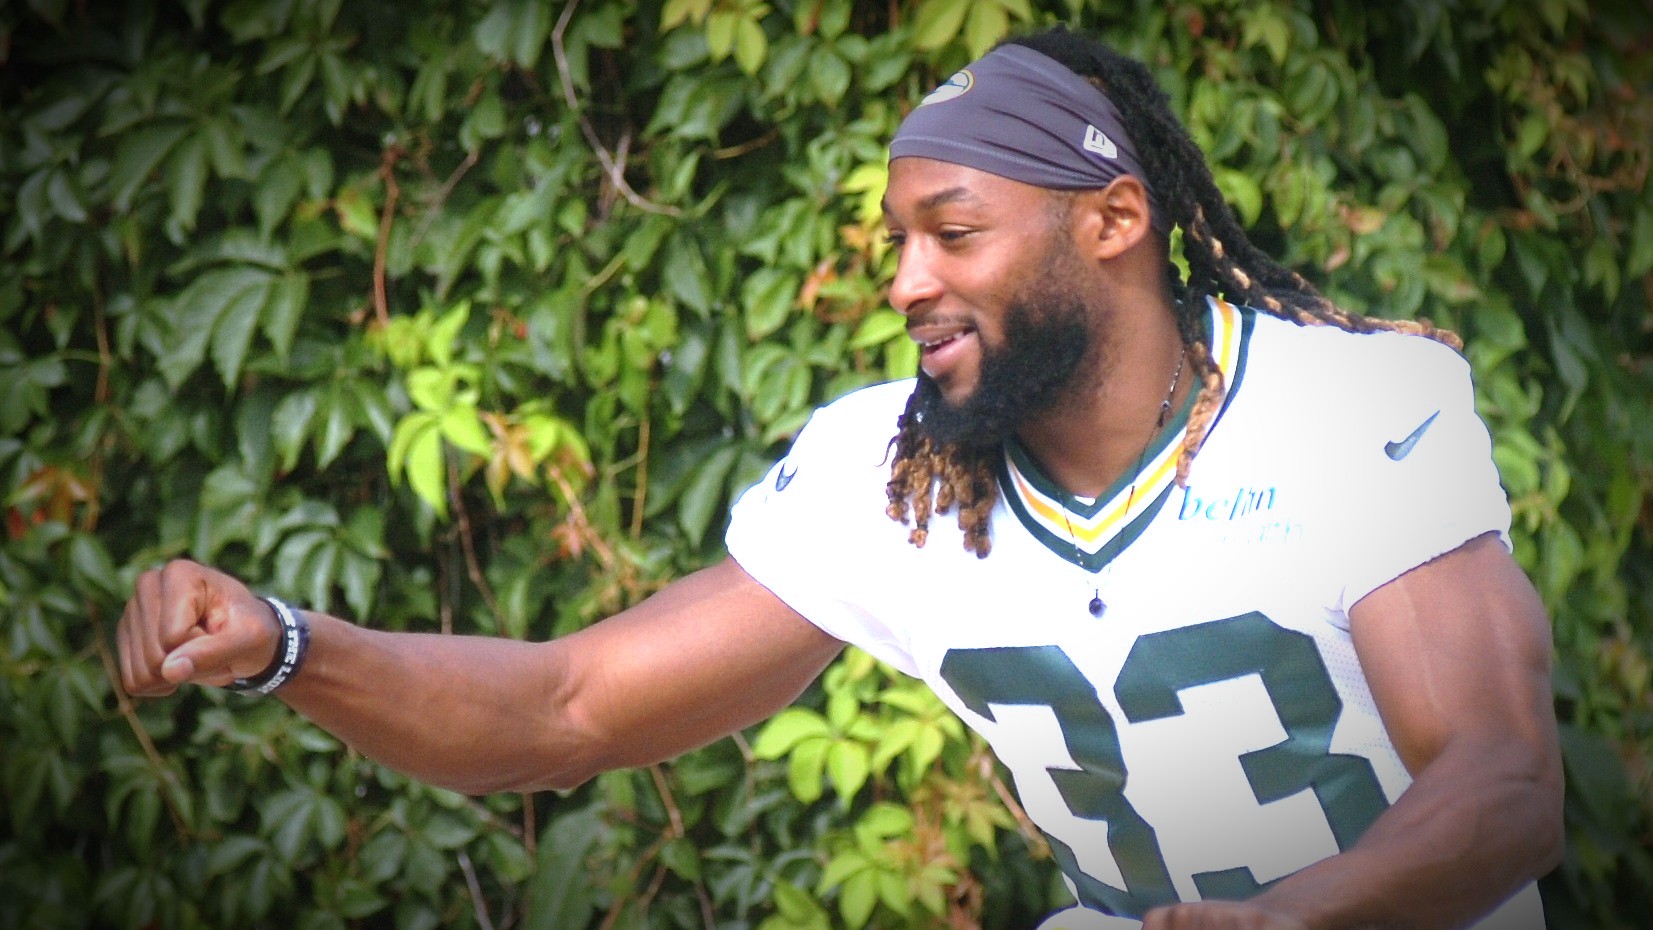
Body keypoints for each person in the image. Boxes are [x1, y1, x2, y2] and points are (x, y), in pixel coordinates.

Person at [118, 26, 1562, 930]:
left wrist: (1299, 920)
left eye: (951, 232)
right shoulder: (892, 472)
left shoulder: (1346, 401)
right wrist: (287, 645)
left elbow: (1502, 780)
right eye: (893, 242)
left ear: (1115, 219)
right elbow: (561, 709)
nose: (904, 282)